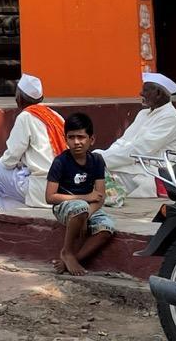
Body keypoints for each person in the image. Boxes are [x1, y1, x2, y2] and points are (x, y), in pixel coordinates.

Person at [0, 74, 65, 247]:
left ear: (19, 99)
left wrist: (2, 161)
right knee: (4, 183)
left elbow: (10, 159)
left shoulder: (26, 117)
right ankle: (7, 224)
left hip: (40, 188)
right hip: (61, 187)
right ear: (41, 98)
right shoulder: (56, 116)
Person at [45, 112, 116, 276]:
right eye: (71, 137)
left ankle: (72, 260)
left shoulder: (97, 160)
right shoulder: (60, 162)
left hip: (87, 210)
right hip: (64, 207)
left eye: (81, 137)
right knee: (80, 206)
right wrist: (84, 199)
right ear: (66, 139)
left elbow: (99, 197)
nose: (76, 142)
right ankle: (67, 251)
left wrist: (86, 215)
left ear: (92, 139)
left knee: (107, 228)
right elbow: (50, 197)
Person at [97, 72, 176, 198]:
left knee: (95, 176)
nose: (141, 93)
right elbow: (123, 142)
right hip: (131, 163)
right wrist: (101, 156)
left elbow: (141, 149)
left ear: (158, 93)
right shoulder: (143, 114)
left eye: (145, 90)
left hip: (151, 171)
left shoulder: (170, 117)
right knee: (93, 168)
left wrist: (103, 160)